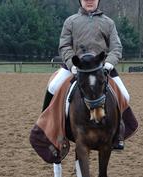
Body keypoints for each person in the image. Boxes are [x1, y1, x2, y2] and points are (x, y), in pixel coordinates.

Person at [42, 0, 129, 149]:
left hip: (101, 68)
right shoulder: (70, 21)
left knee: (125, 96)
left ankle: (117, 134)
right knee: (53, 85)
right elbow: (64, 46)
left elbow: (116, 47)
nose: (89, 1)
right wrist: (71, 64)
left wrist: (109, 63)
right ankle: (47, 126)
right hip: (76, 66)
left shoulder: (108, 22)